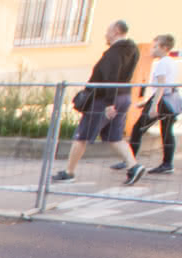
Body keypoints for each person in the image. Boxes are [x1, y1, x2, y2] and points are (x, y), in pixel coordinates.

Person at [54, 19, 144, 185]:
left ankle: (69, 172)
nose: (105, 34)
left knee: (81, 136)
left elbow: (111, 78)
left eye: (108, 30)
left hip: (104, 100)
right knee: (115, 137)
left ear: (116, 31)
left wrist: (110, 103)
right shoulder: (132, 51)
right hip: (124, 96)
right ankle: (133, 166)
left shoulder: (114, 53)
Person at [128, 33, 178, 175]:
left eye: (155, 46)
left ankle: (130, 161)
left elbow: (161, 86)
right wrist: (146, 102)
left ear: (164, 47)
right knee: (167, 132)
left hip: (161, 101)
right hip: (169, 100)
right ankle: (167, 163)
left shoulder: (162, 63)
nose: (152, 49)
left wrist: (153, 105)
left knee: (138, 129)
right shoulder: (170, 62)